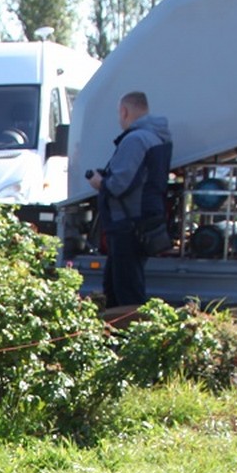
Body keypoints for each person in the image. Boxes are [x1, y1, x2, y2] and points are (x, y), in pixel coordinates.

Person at [86, 91, 172, 309]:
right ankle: (120, 334)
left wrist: (98, 181)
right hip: (143, 221)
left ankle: (128, 337)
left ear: (124, 111)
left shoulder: (135, 139)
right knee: (119, 285)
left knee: (125, 290)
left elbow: (118, 184)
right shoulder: (157, 137)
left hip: (127, 223)